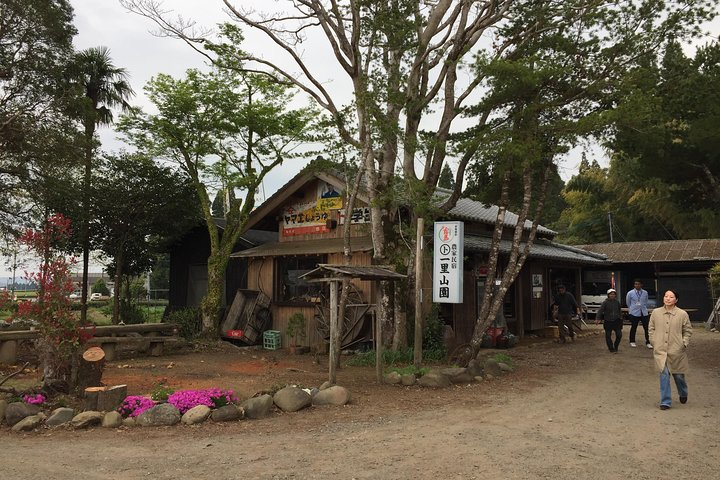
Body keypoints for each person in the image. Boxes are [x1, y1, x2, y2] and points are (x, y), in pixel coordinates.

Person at [648, 289, 692, 410]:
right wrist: (654, 341)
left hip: (676, 350)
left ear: (676, 300)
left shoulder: (682, 314)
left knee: (678, 376)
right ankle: (665, 401)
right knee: (664, 375)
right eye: (666, 296)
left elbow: (687, 331)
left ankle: (683, 392)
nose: (668, 298)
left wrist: (684, 343)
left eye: (671, 297)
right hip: (660, 350)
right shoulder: (656, 313)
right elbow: (651, 329)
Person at [626, 279, 651, 349]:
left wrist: (642, 306)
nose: (637, 285)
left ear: (641, 285)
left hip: (643, 312)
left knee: (647, 327)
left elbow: (646, 301)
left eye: (638, 284)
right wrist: (632, 309)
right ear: (634, 285)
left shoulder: (645, 292)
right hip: (634, 312)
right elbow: (628, 303)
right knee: (634, 327)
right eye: (636, 284)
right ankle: (632, 341)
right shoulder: (630, 293)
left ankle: (648, 342)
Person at [596, 288, 623, 353]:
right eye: (611, 294)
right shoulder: (605, 302)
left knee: (619, 335)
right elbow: (600, 310)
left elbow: (619, 310)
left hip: (616, 321)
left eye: (613, 294)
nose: (612, 295)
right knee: (608, 335)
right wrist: (598, 318)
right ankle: (611, 348)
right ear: (608, 295)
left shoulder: (617, 302)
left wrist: (621, 318)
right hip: (608, 321)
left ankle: (616, 346)